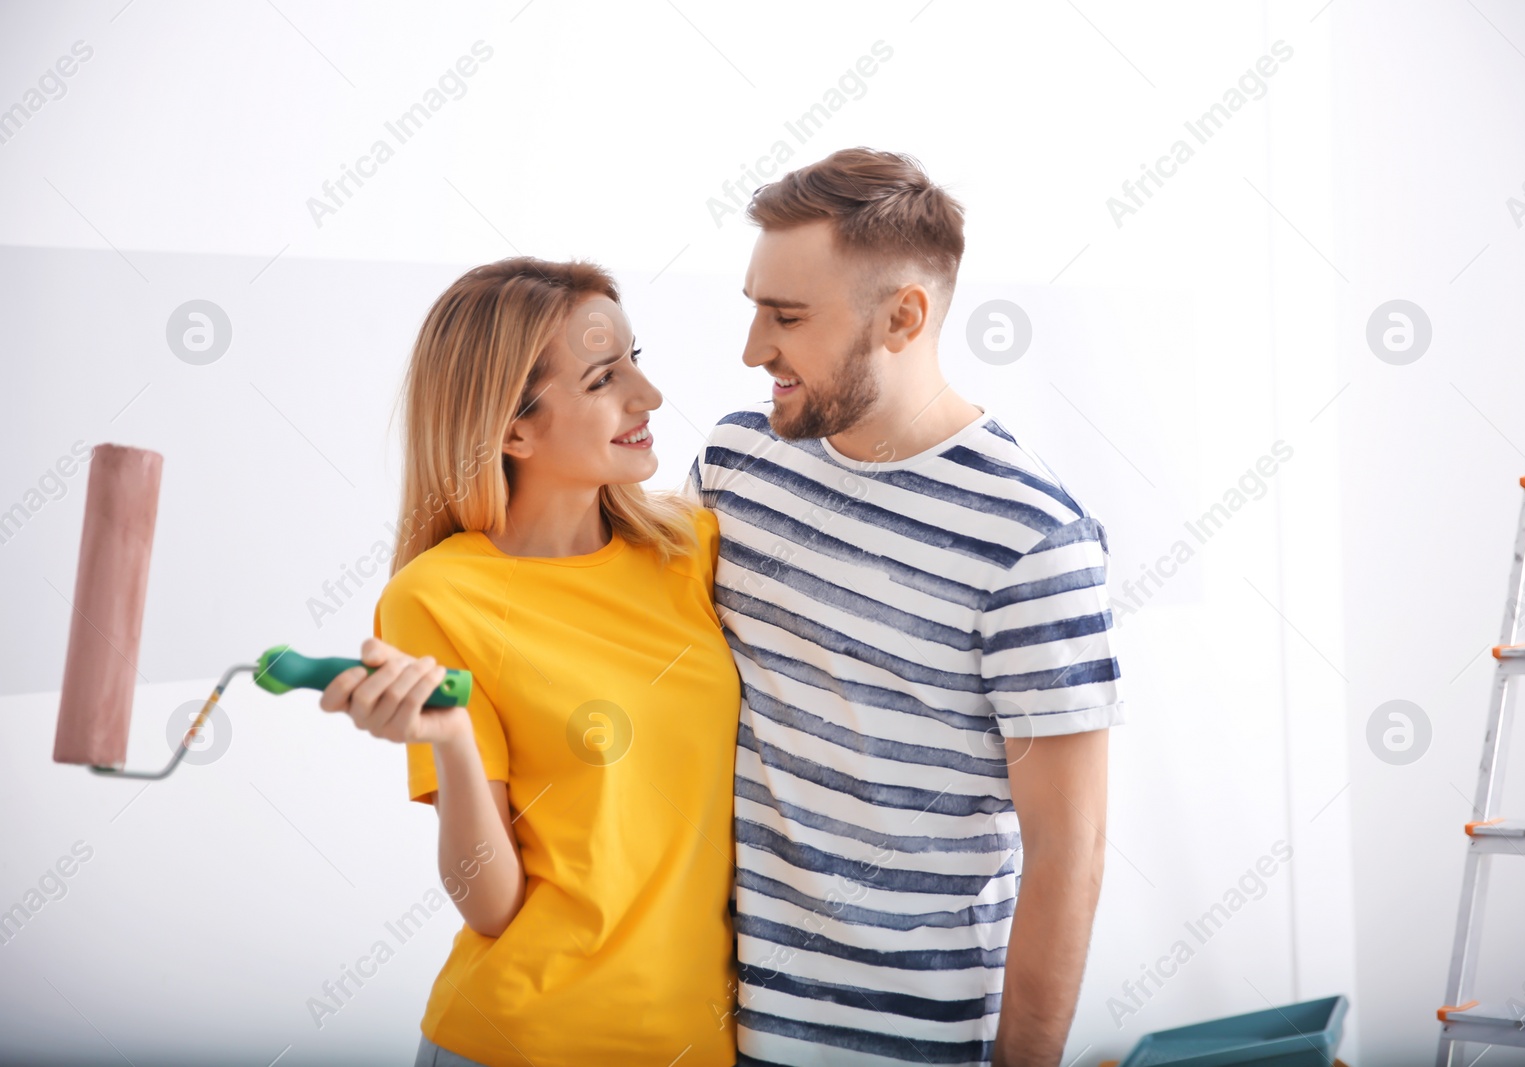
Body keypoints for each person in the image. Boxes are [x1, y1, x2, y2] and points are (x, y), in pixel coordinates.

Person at [688, 147, 1124, 1066]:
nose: (753, 348)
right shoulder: (733, 467)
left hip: (908, 1044)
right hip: (703, 1027)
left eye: (788, 316)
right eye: (755, 308)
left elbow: (1066, 848)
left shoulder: (1033, 538)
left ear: (903, 315)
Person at [318, 259, 741, 1067]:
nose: (647, 397)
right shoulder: (437, 597)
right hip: (523, 1041)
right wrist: (448, 740)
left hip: (704, 1044)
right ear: (514, 430)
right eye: (602, 379)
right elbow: (490, 902)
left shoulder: (691, 550)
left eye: (637, 362)